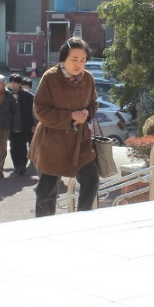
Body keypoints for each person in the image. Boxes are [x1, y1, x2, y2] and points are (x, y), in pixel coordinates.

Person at [30, 37, 99, 217]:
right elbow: (40, 111)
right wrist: (70, 116)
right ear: (64, 58)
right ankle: (45, 228)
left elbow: (93, 102)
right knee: (47, 192)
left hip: (80, 142)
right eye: (74, 59)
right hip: (52, 142)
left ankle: (81, 220)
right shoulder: (50, 77)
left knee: (91, 180)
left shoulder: (88, 79)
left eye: (82, 60)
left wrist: (87, 112)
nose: (78, 64)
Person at [8, 74, 36, 175]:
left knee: (22, 146)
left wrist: (34, 124)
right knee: (13, 146)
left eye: (15, 83)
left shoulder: (28, 96)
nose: (13, 85)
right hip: (11, 126)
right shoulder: (7, 95)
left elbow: (34, 111)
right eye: (11, 82)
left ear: (20, 84)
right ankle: (16, 165)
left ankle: (22, 165)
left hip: (24, 125)